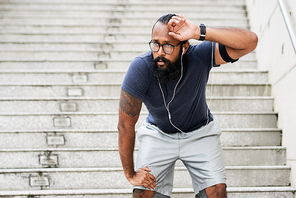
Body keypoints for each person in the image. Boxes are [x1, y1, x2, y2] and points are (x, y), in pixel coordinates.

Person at [117, 14, 258, 198]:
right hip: (158, 134)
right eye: (155, 44)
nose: (160, 52)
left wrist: (200, 32)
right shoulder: (141, 67)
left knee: (216, 191)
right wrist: (130, 174)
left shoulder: (199, 56)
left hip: (200, 133)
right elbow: (125, 125)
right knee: (143, 192)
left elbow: (250, 42)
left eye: (168, 45)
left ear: (184, 47)